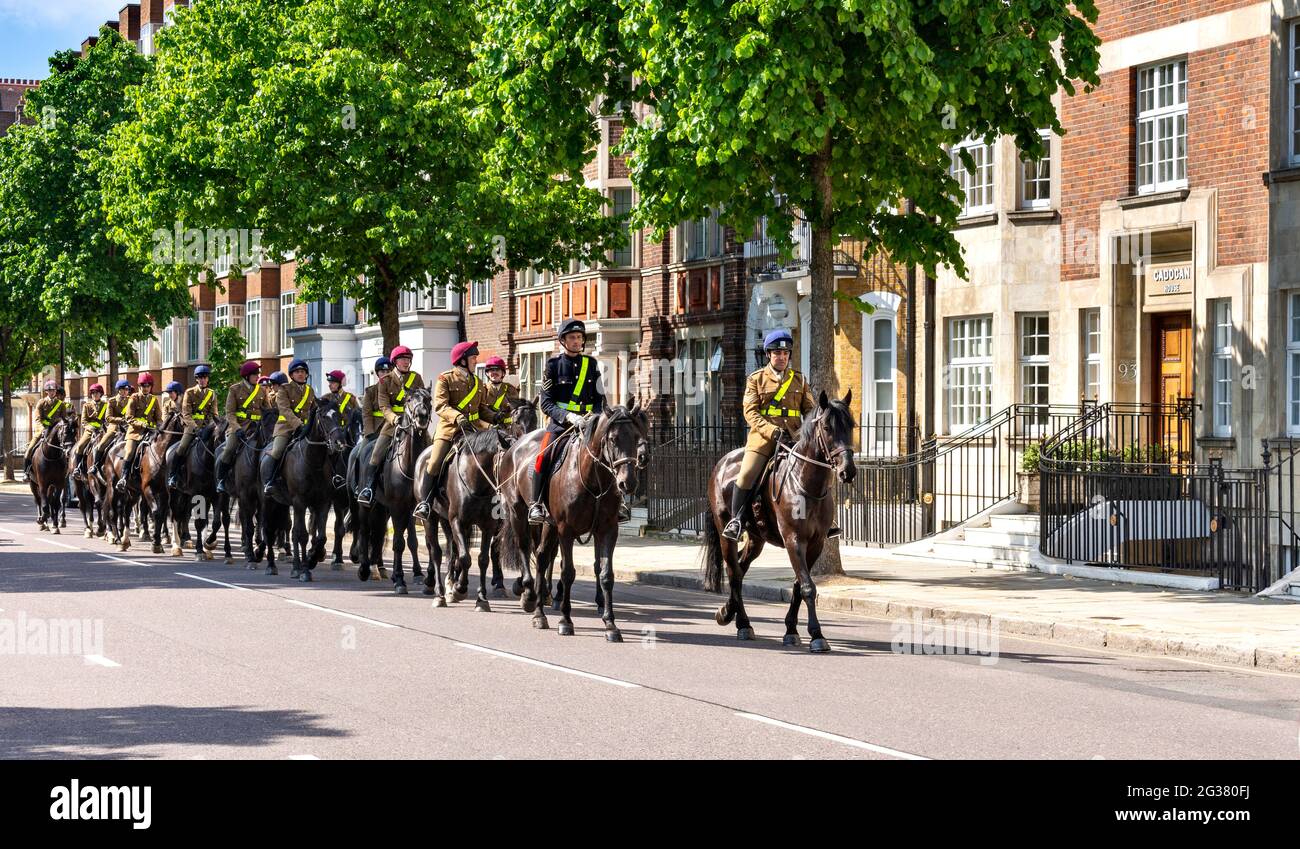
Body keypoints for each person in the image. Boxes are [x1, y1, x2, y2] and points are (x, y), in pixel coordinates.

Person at [723, 328, 838, 541]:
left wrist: (812, 428)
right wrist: (772, 431)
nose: (782, 357)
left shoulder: (799, 380)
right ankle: (736, 520)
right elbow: (750, 412)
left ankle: (825, 520)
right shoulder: (756, 379)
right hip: (764, 439)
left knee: (821, 469)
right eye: (777, 353)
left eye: (785, 354)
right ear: (769, 355)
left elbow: (810, 410)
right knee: (747, 473)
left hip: (794, 438)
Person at [529, 319, 629, 525]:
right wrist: (568, 416)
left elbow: (600, 400)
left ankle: (617, 503)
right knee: (543, 456)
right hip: (562, 425)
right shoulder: (553, 366)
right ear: (563, 341)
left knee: (610, 456)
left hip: (589, 424)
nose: (577, 341)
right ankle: (535, 504)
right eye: (572, 337)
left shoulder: (591, 365)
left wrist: (595, 417)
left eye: (579, 337)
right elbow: (546, 403)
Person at [412, 341, 502, 520]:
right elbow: (440, 406)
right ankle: (425, 503)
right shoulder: (445, 379)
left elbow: (481, 408)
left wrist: (494, 417)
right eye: (473, 358)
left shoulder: (477, 382)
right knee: (435, 462)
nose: (476, 361)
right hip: (449, 430)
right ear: (462, 360)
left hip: (474, 430)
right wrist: (457, 417)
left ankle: (496, 505)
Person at [357, 346, 423, 505]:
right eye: (403, 359)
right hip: (393, 425)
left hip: (414, 424)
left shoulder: (416, 378)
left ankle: (429, 494)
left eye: (408, 359)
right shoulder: (385, 381)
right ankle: (368, 488)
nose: (406, 362)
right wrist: (394, 419)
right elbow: (384, 406)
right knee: (376, 454)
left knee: (429, 450)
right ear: (395, 362)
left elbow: (421, 399)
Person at [215, 361, 268, 494]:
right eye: (255, 374)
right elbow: (230, 413)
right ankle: (221, 479)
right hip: (240, 427)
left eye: (258, 373)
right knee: (229, 449)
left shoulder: (262, 390)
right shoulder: (235, 389)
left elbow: (268, 410)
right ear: (246, 376)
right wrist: (237, 428)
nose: (257, 376)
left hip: (258, 427)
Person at [262, 360, 313, 496]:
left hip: (306, 429)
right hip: (286, 428)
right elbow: (285, 410)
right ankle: (269, 481)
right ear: (291, 375)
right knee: (277, 451)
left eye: (303, 372)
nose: (300, 374)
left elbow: (314, 410)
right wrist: (298, 425)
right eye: (297, 372)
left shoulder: (310, 390)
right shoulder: (284, 389)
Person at [167, 366, 215, 488]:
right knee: (182, 447)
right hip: (191, 427)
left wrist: (210, 426)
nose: (203, 380)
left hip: (207, 426)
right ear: (197, 380)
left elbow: (214, 413)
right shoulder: (190, 392)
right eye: (200, 378)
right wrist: (196, 428)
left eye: (205, 377)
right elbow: (186, 414)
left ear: (208, 379)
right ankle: (173, 475)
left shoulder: (212, 393)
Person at [117, 373, 161, 490]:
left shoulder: (154, 400)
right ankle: (124, 478)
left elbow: (159, 418)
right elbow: (129, 417)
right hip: (135, 433)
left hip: (151, 432)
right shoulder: (134, 398)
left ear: (151, 386)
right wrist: (142, 424)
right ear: (139, 386)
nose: (145, 388)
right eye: (143, 386)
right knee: (130, 451)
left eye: (148, 386)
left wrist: (160, 427)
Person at [22, 381, 67, 478]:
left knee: (67, 448)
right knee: (29, 449)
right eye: (50, 390)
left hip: (57, 431)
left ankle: (67, 470)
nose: (52, 392)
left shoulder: (61, 404)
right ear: (46, 391)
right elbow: (38, 419)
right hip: (43, 430)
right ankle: (26, 472)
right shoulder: (41, 403)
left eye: (54, 390)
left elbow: (64, 419)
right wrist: (42, 429)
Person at [91, 380, 133, 479]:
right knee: (101, 445)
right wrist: (121, 420)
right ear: (119, 390)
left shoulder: (131, 400)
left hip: (129, 427)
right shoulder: (112, 401)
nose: (126, 391)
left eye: (127, 389)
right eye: (124, 389)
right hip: (115, 427)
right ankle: (95, 465)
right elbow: (108, 418)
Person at [72, 383, 108, 481]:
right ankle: (77, 468)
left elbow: (107, 419)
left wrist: (104, 426)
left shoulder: (106, 405)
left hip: (103, 430)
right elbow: (84, 421)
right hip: (90, 431)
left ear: (101, 394)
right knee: (80, 446)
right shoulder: (86, 406)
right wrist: (91, 428)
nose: (95, 394)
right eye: (93, 393)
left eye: (97, 393)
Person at [482, 356, 520, 428]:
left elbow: (516, 411)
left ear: (503, 373)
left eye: (497, 370)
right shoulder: (482, 390)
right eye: (491, 370)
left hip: (508, 430)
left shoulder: (511, 389)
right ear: (487, 373)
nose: (494, 372)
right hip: (488, 431)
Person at [360, 357, 391, 439]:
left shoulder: (398, 390)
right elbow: (367, 414)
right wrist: (370, 432)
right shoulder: (370, 391)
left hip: (393, 428)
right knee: (362, 451)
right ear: (377, 373)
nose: (385, 374)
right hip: (376, 430)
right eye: (382, 371)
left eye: (388, 371)